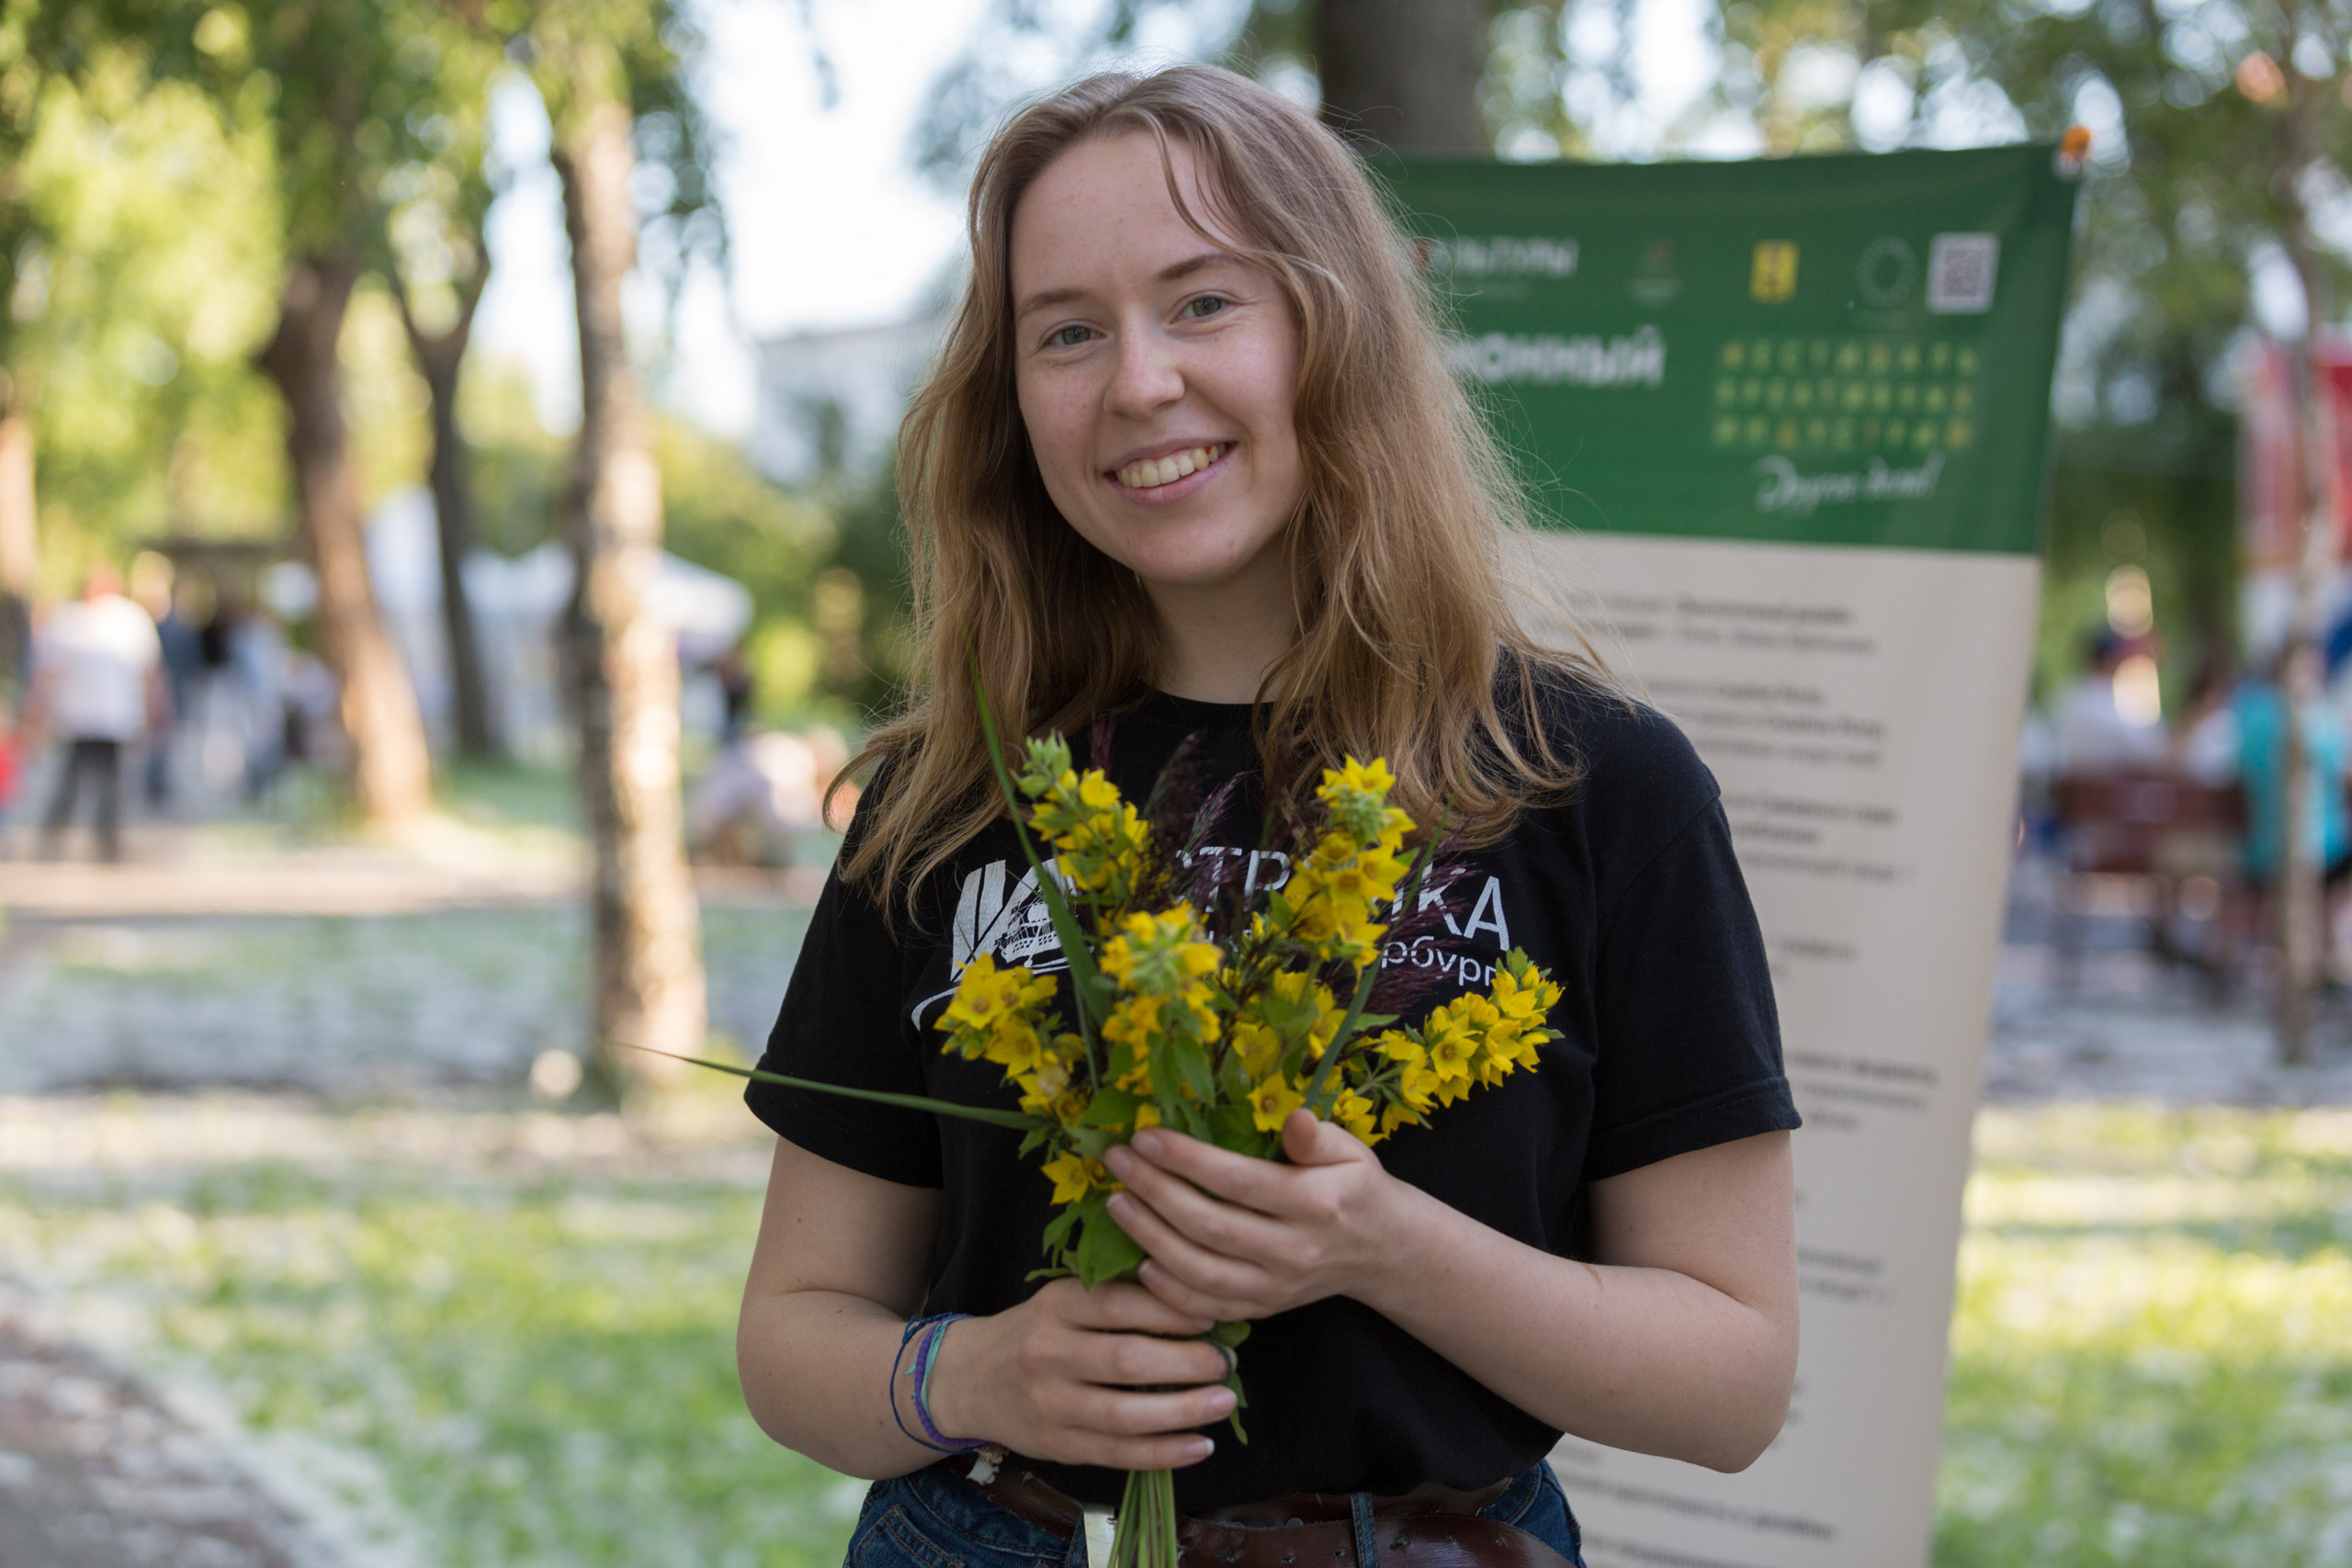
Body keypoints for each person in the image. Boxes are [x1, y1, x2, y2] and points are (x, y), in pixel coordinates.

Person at [736, 67, 1799, 1568]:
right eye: (1067, 331)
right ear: (1012, 394)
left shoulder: (1595, 787)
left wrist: (1380, 1245)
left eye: (1203, 303)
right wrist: (968, 1371)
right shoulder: (949, 799)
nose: (1137, 382)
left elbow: (1734, 1381)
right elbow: (792, 1335)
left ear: (1334, 329)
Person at [23, 564, 169, 861]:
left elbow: (150, 671)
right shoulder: (67, 621)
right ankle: (53, 841)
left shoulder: (129, 620)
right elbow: (47, 673)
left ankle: (107, 845)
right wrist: (36, 712)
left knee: (112, 785)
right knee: (71, 781)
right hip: (78, 717)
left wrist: (156, 707)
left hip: (115, 717)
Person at [2051, 629, 2167, 773]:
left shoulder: (2062, 697)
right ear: (2115, 659)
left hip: (2068, 789)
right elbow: (2152, 751)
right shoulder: (2125, 705)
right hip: (2119, 791)